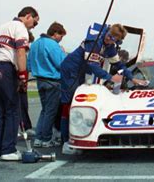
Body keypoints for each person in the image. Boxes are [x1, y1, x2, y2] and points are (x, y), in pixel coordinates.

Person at [59, 23, 147, 155]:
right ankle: (65, 142)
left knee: (77, 104)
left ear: (117, 41)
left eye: (113, 39)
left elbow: (119, 65)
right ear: (107, 32)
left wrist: (132, 78)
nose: (109, 39)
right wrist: (110, 77)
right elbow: (93, 65)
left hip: (82, 72)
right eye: (109, 36)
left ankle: (71, 135)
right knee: (68, 104)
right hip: (71, 70)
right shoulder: (94, 41)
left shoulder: (110, 47)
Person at [0, 6, 39, 161]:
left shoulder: (2, 26)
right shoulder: (20, 27)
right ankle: (8, 149)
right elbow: (21, 53)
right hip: (5, 67)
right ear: (28, 16)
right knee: (13, 109)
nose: (33, 27)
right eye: (34, 23)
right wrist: (23, 77)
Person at [27, 22, 67, 148]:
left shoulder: (35, 44)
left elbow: (29, 65)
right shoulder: (53, 45)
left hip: (40, 81)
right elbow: (62, 64)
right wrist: (63, 53)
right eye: (61, 36)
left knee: (45, 110)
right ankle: (46, 139)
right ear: (55, 34)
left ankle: (39, 138)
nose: (61, 39)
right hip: (53, 81)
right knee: (50, 112)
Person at [19, 31, 35, 136]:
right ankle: (25, 127)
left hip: (22, 82)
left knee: (23, 105)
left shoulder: (24, 53)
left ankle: (24, 127)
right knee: (22, 105)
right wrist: (23, 80)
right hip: (19, 82)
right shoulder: (20, 52)